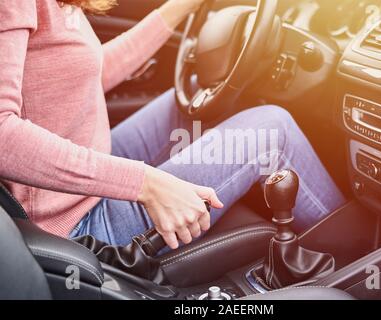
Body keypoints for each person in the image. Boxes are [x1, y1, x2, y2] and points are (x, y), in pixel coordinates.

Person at [0, 0, 345, 250]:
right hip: (73, 223)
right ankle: (360, 248)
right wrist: (144, 183)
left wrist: (181, 6)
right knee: (273, 131)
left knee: (194, 96)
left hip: (83, 169)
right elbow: (3, 136)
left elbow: (91, 73)